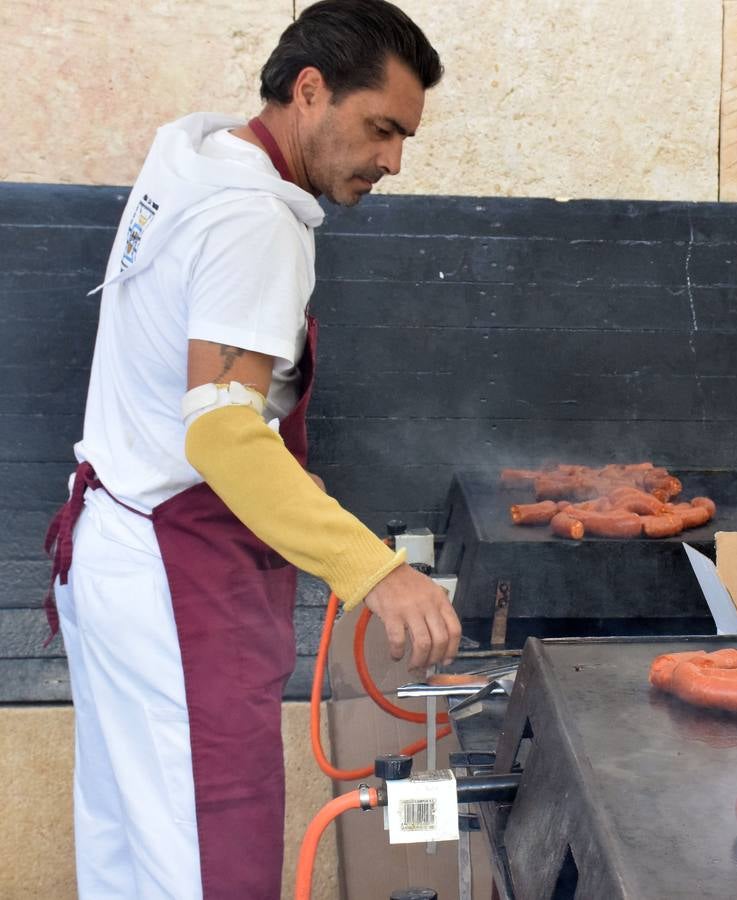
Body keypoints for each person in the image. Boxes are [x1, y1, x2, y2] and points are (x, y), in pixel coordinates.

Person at [42, 2, 461, 897]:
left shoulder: (193, 158)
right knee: (208, 859)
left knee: (131, 852)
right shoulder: (254, 220)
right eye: (381, 128)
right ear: (309, 91)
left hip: (115, 548)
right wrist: (375, 572)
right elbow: (224, 435)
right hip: (175, 574)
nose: (392, 160)